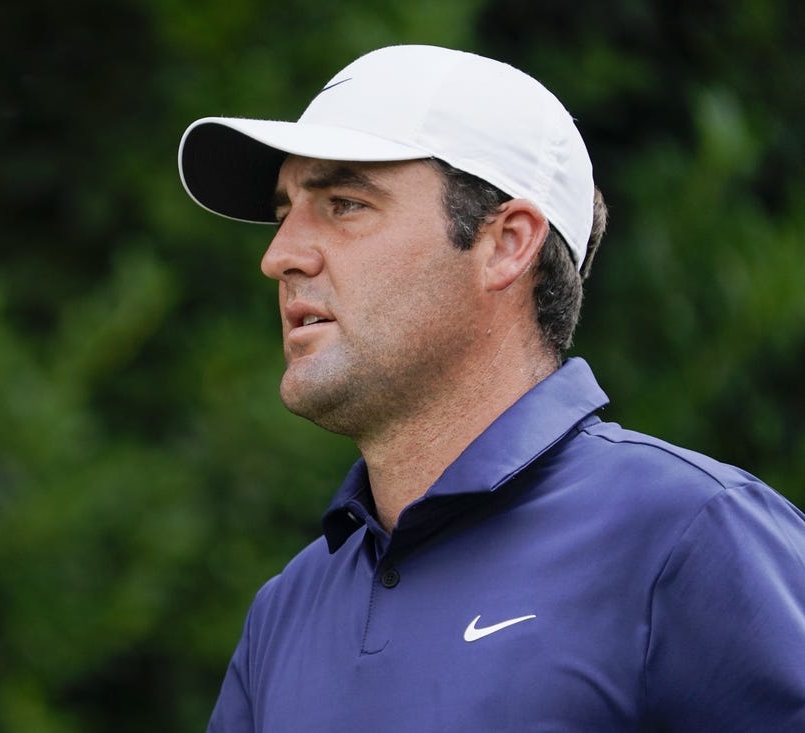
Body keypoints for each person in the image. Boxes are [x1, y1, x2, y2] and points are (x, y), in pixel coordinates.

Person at [177, 45, 805, 732]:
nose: (280, 256)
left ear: (507, 244)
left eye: (345, 203)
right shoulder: (287, 609)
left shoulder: (691, 535)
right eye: (285, 211)